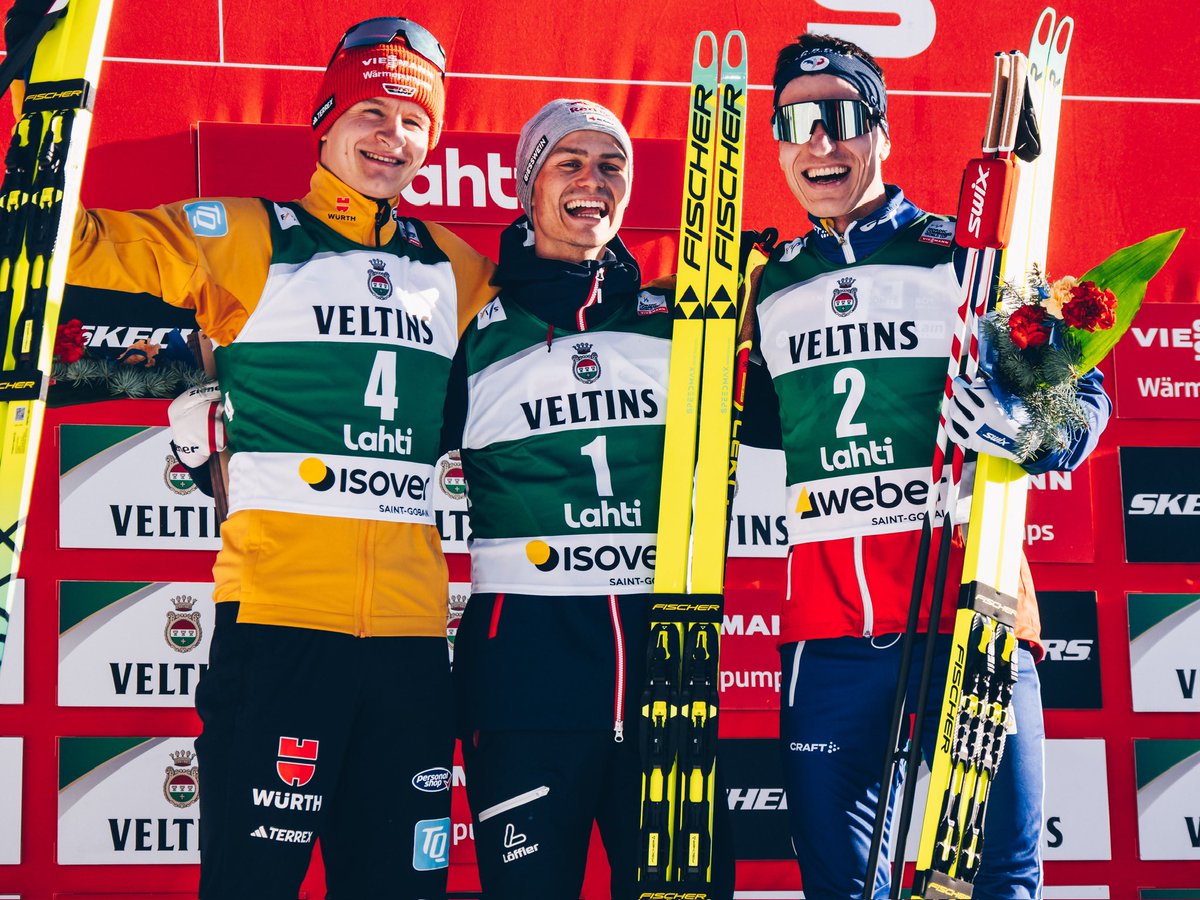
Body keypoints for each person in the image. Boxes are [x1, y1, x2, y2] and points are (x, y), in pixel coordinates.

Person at [39, 13, 496, 900]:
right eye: (372, 113)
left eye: (413, 123)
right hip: (280, 627)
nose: (391, 137)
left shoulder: (456, 266)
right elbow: (90, 246)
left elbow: (551, 338)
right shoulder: (248, 234)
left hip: (409, 643)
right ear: (325, 119)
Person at [741, 33, 1111, 900]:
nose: (819, 142)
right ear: (780, 147)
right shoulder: (770, 288)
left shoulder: (968, 255)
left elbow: (1079, 403)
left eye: (840, 117)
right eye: (797, 122)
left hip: (971, 616)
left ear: (881, 130)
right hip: (828, 641)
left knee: (999, 880)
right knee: (842, 884)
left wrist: (1026, 424)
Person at [444, 98, 733, 900]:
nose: (592, 181)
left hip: (665, 673)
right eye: (568, 162)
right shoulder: (472, 327)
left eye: (611, 166)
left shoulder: (679, 322)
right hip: (523, 676)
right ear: (527, 184)